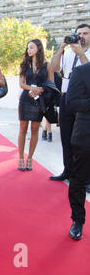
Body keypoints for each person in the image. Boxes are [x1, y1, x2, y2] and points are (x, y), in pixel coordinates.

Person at [49, 24, 90, 181]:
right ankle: (68, 170)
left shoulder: (85, 53)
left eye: (85, 33)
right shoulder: (67, 52)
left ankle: (85, 178)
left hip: (84, 101)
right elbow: (53, 68)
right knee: (66, 138)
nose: (81, 36)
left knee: (83, 142)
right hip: (66, 98)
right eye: (78, 33)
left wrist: (80, 54)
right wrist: (61, 49)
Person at [17, 39, 54, 171]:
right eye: (27, 48)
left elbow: (51, 84)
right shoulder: (24, 64)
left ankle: (30, 158)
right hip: (26, 100)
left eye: (31, 47)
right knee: (22, 129)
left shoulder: (47, 65)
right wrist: (32, 89)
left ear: (39, 48)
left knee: (34, 129)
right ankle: (20, 157)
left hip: (39, 100)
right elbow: (21, 83)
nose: (29, 50)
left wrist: (41, 90)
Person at [65, 62, 90, 240]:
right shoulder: (82, 72)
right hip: (85, 136)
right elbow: (71, 102)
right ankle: (78, 220)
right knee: (78, 179)